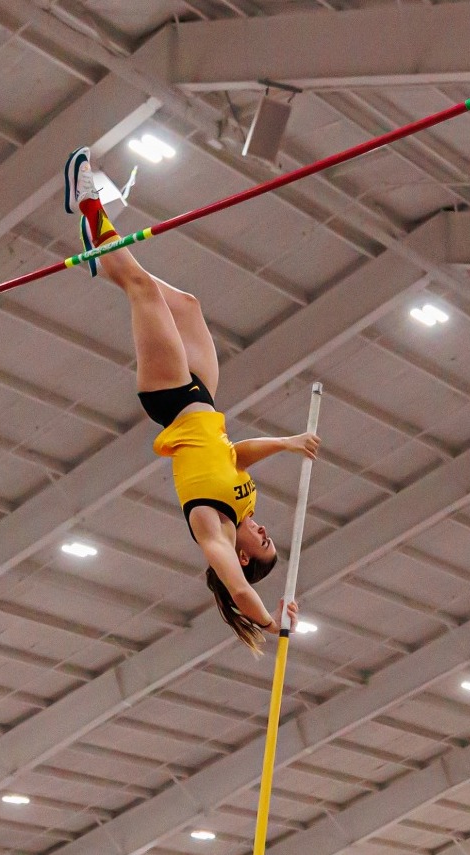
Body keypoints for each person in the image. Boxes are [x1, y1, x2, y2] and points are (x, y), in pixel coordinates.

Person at [64, 146, 320, 652]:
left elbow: (241, 592)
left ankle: (88, 206)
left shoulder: (213, 533)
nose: (265, 530)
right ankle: (106, 259)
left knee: (144, 290)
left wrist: (272, 625)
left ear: (244, 555)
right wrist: (288, 443)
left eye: (263, 542)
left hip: (171, 400)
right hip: (205, 398)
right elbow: (235, 454)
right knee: (185, 304)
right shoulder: (244, 505)